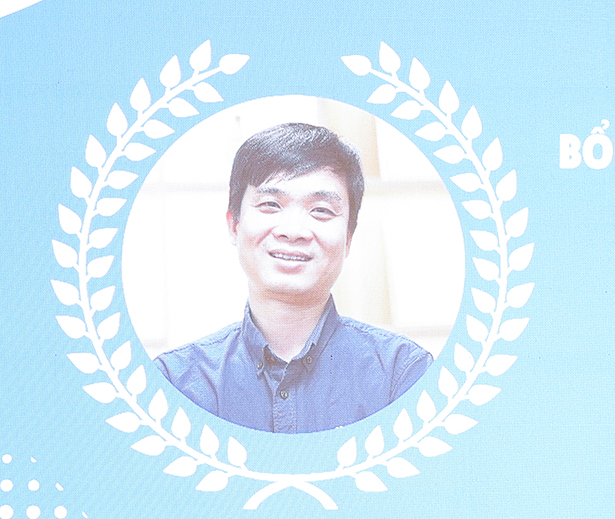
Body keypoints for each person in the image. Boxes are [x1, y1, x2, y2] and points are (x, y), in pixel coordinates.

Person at [154, 122, 431, 433]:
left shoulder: (403, 375)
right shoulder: (175, 382)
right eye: (270, 205)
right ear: (234, 225)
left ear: (348, 238)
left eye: (321, 210)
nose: (293, 231)